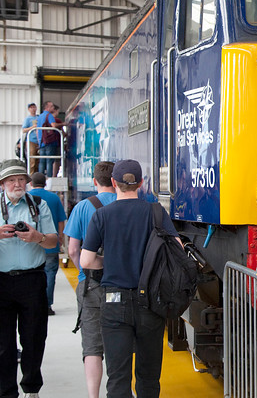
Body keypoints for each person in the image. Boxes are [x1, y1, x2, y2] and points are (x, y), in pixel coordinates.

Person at [81, 160, 180, 398]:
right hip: (150, 303)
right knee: (148, 375)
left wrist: (108, 263)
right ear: (141, 183)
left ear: (113, 183)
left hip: (114, 303)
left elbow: (85, 261)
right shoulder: (156, 211)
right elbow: (176, 249)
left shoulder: (101, 215)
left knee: (118, 376)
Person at [0, 160, 58, 398]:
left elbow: (53, 241)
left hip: (32, 279)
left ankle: (31, 388)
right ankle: (6, 393)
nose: (17, 184)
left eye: (21, 179)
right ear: (2, 184)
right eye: (11, 180)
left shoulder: (39, 206)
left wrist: (37, 237)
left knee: (34, 337)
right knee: (1, 343)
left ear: (27, 182)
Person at [63, 161, 115, 398]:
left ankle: (93, 395)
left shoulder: (82, 207)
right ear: (115, 181)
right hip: (122, 284)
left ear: (95, 181)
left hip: (90, 284)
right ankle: (119, 391)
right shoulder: (128, 205)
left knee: (92, 346)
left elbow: (73, 250)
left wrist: (84, 272)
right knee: (120, 340)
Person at [27, 172, 66, 316]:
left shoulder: (27, 197)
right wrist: (60, 238)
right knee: (50, 274)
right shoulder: (54, 198)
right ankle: (47, 305)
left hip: (32, 245)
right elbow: (61, 220)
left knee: (32, 275)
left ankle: (33, 304)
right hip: (51, 243)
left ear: (30, 183)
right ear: (45, 183)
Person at [36, 102, 58, 178]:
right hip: (49, 141)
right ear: (47, 107)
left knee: (42, 161)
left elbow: (37, 130)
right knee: (49, 160)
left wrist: (39, 141)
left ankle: (40, 177)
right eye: (52, 106)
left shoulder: (39, 117)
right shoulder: (49, 115)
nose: (53, 108)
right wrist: (63, 124)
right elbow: (54, 125)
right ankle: (49, 177)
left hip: (41, 142)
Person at [21, 104, 41, 174]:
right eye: (31, 107)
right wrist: (32, 127)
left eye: (34, 107)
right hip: (31, 140)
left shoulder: (39, 117)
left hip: (39, 140)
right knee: (32, 159)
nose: (33, 109)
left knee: (38, 159)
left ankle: (37, 174)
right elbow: (23, 130)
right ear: (29, 109)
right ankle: (31, 175)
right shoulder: (27, 119)